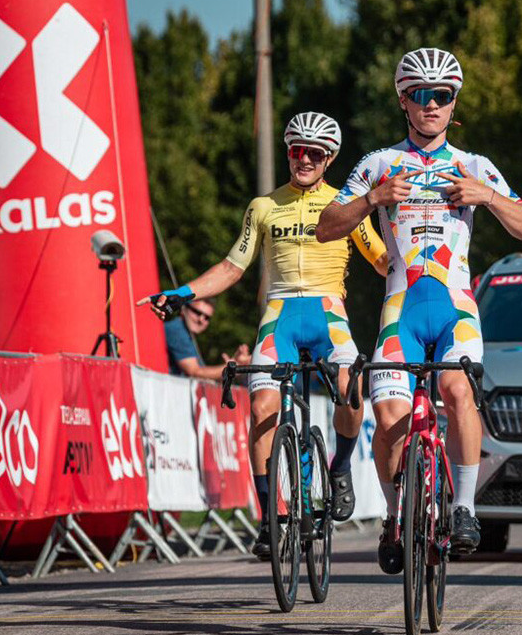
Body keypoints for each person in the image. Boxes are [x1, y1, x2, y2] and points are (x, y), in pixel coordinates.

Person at [316, 48, 522, 572]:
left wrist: (487, 196)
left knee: (457, 389)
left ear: (453, 101)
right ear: (404, 101)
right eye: (421, 95)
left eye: (442, 95)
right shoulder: (379, 163)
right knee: (390, 418)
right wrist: (372, 199)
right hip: (401, 311)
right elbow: (327, 227)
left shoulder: (474, 165)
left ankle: (463, 508)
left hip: (455, 308)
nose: (432, 105)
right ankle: (395, 518)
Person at [141, 112, 388, 558]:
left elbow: (382, 261)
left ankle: (340, 467)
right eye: (297, 151)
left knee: (352, 388)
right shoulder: (264, 206)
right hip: (279, 316)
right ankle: (269, 518)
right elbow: (232, 267)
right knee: (261, 406)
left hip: (329, 312)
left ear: (329, 158)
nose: (305, 159)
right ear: (289, 153)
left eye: (315, 153)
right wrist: (182, 292)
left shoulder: (343, 203)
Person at [164, 296, 252, 379]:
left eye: (207, 317)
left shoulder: (187, 334)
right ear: (183, 309)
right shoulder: (176, 330)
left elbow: (203, 376)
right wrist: (234, 367)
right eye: (197, 312)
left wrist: (235, 366)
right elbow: (194, 372)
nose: (201, 320)